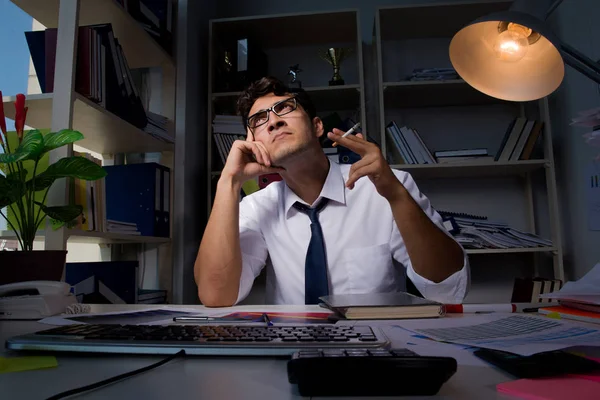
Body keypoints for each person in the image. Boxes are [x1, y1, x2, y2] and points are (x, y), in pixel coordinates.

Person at [195, 76, 470, 307]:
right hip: (290, 355)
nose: (273, 122)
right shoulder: (256, 207)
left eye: (285, 108)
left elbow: (448, 291)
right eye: (259, 120)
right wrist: (228, 183)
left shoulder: (387, 186)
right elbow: (216, 296)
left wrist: (396, 195)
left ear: (317, 126)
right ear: (253, 142)